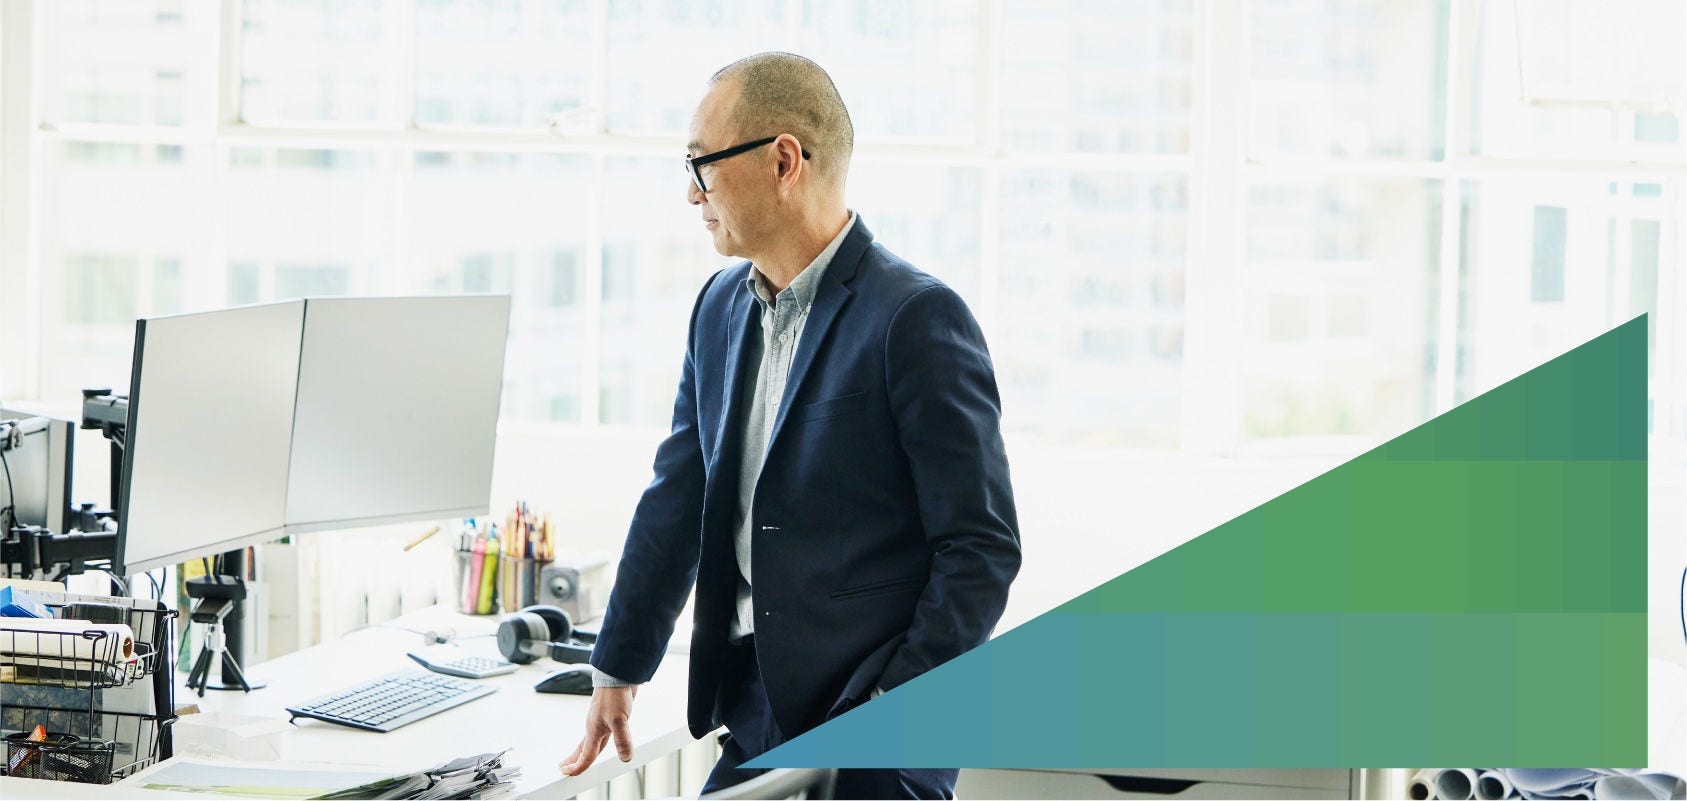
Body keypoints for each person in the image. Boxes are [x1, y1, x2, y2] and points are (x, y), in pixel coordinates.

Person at [559, 52, 1021, 800]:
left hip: (874, 727)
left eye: (701, 164)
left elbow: (980, 545)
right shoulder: (717, 308)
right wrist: (619, 664)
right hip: (757, 714)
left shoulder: (914, 318)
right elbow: (679, 493)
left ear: (782, 161)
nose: (690, 192)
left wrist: (891, 712)